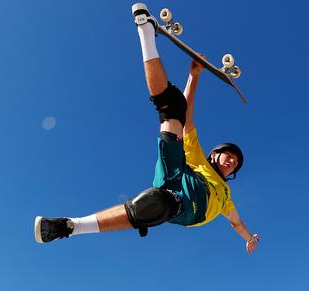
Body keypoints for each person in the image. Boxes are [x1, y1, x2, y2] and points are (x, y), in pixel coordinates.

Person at [34, 3, 260, 254]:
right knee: (174, 106)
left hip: (190, 208)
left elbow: (236, 222)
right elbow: (188, 116)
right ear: (215, 154)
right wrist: (194, 76)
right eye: (229, 155)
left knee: (158, 204)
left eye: (235, 163)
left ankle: (69, 227)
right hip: (180, 175)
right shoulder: (198, 159)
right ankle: (145, 30)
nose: (231, 161)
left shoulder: (226, 195)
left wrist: (248, 238)